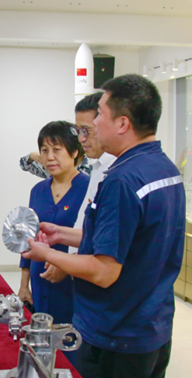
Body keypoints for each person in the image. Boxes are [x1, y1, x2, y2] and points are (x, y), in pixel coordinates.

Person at [22, 74, 184, 378]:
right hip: (151, 323)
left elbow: (104, 270)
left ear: (122, 123)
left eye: (100, 115)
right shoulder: (161, 167)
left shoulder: (122, 180)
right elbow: (126, 241)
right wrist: (64, 235)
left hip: (117, 332)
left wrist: (46, 252)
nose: (93, 125)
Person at [18, 121, 89, 337]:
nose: (49, 157)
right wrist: (24, 285)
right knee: (42, 338)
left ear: (74, 152)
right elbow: (28, 238)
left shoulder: (89, 188)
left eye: (57, 150)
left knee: (70, 340)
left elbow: (95, 239)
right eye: (44, 150)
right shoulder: (38, 190)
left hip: (74, 280)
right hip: (40, 277)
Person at [41, 92, 118, 284]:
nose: (82, 139)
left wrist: (66, 259)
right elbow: (89, 232)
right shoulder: (99, 168)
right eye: (78, 131)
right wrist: (59, 235)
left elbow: (108, 245)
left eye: (86, 131)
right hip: (79, 270)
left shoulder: (117, 174)